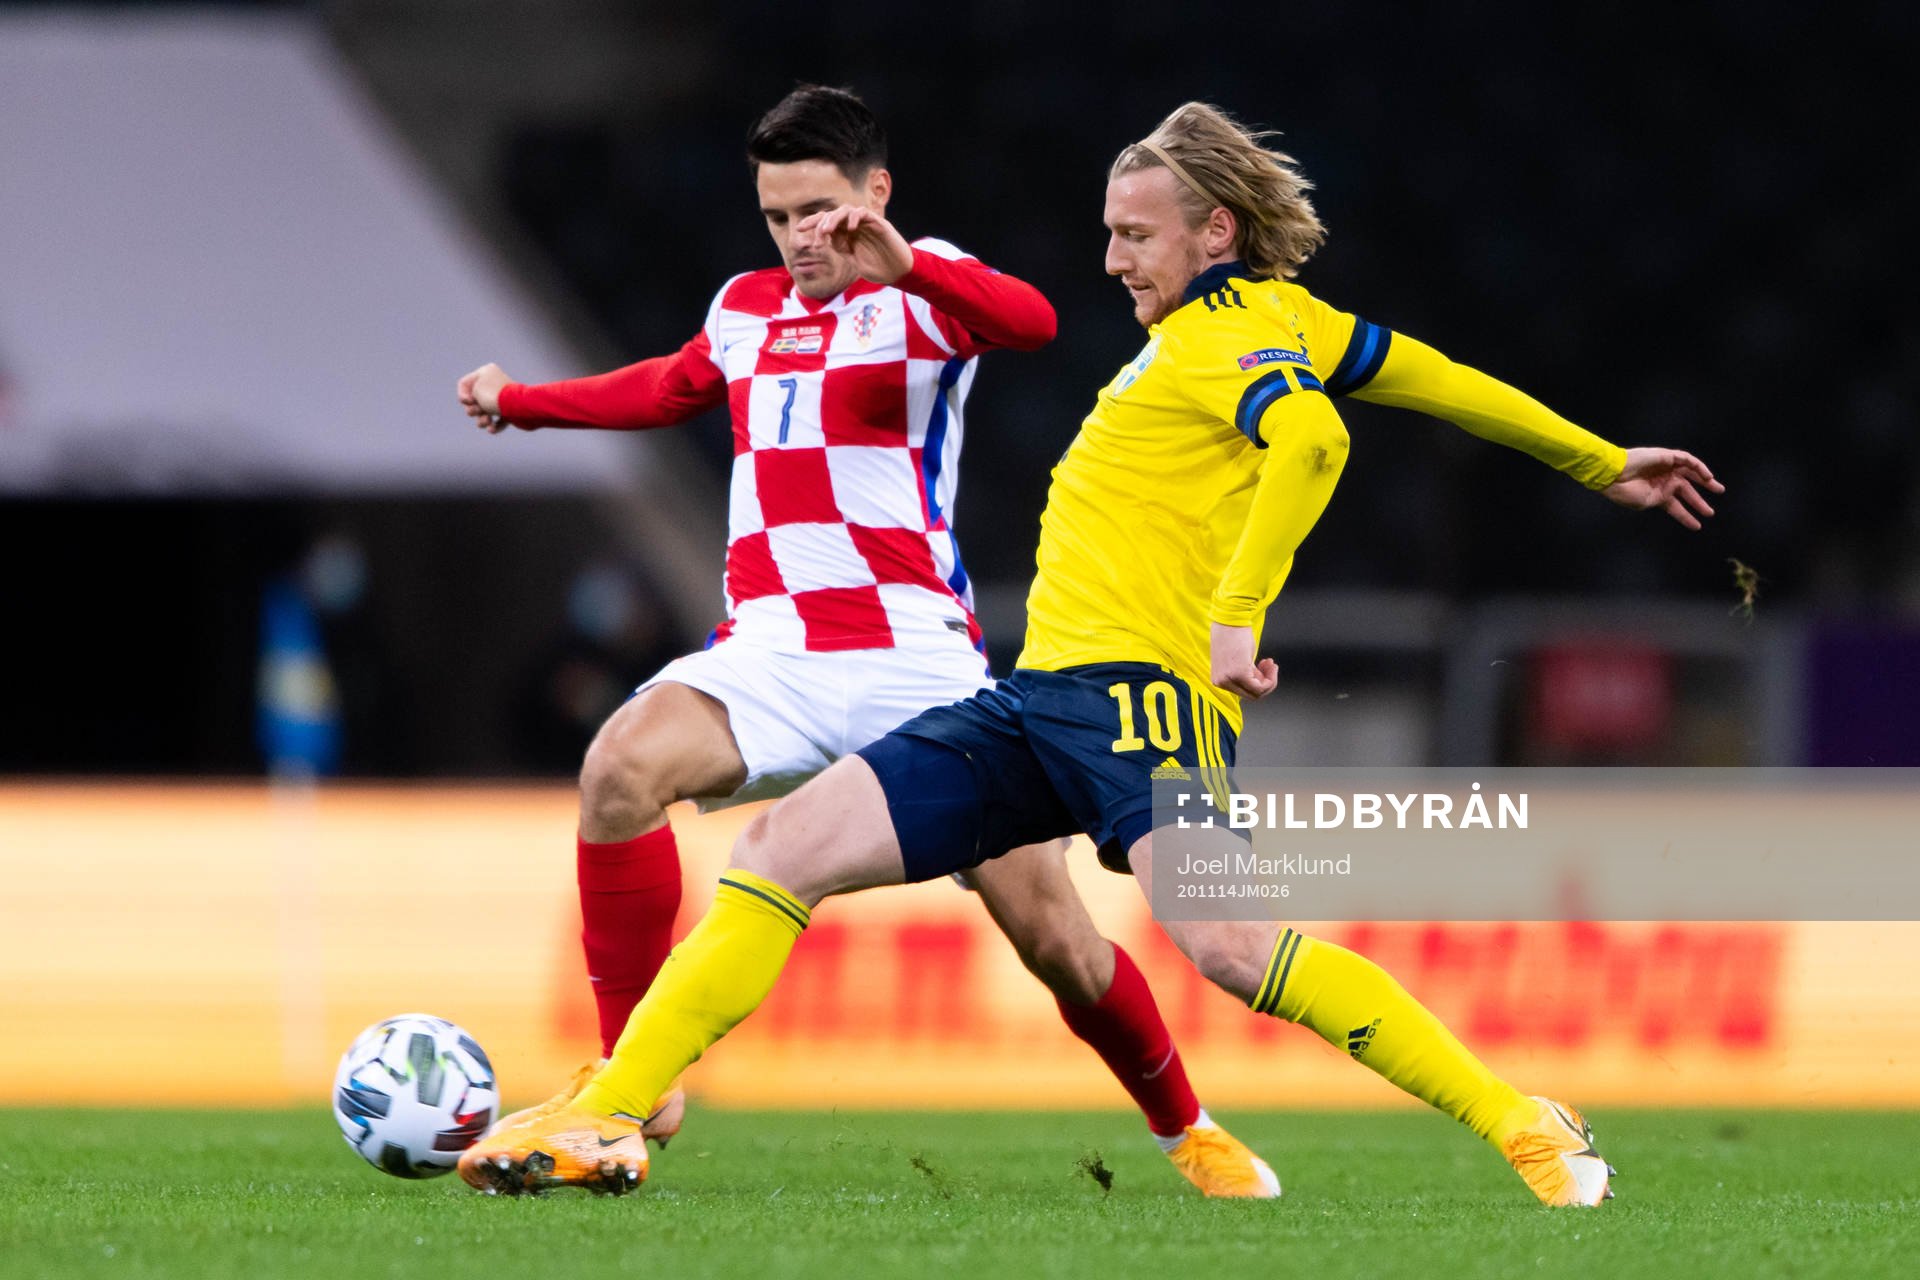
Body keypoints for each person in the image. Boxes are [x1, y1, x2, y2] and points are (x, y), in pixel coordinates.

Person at [461, 100, 1724, 1207]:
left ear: (1213, 231)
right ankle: (609, 1108)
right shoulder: (1270, 323)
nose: (1113, 258)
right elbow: (1431, 375)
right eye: (1111, 233)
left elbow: (1316, 443)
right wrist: (1596, 459)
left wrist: (1239, 612)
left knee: (1229, 949)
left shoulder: (1226, 335)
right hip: (1033, 701)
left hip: (1140, 701)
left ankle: (1519, 1117)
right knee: (781, 850)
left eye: (1134, 235)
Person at [456, 86, 1275, 1198]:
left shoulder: (924, 288)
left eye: (818, 210)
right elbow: (667, 387)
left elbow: (1034, 322)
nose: (799, 237)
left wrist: (910, 264)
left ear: (875, 194)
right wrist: (526, 401)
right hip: (771, 651)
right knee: (617, 769)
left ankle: (1189, 1128)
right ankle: (630, 1086)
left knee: (1057, 937)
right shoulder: (744, 307)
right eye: (777, 215)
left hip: (916, 661)